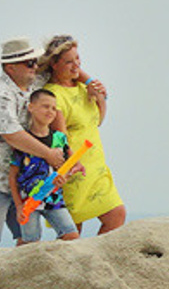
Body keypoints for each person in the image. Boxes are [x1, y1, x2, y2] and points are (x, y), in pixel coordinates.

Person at [37, 34, 125, 235]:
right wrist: (71, 160)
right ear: (54, 64)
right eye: (69, 61)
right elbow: (60, 135)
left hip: (97, 166)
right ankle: (75, 265)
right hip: (75, 166)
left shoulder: (84, 87)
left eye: (78, 59)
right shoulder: (53, 94)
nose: (76, 65)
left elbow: (97, 121)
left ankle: (92, 263)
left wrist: (99, 99)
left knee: (116, 215)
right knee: (72, 233)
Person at [7, 90, 81, 243]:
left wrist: (65, 178)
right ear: (31, 107)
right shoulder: (24, 141)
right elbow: (13, 176)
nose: (50, 111)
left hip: (54, 199)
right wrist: (19, 206)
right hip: (28, 201)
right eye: (45, 106)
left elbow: (68, 167)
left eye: (54, 108)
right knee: (30, 243)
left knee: (71, 235)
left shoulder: (59, 138)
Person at [1, 36, 62, 181]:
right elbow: (12, 133)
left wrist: (90, 82)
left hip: (26, 183)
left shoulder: (33, 83)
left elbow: (61, 63)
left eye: (35, 61)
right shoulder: (2, 93)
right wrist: (48, 154)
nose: (35, 66)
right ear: (10, 68)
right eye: (29, 63)